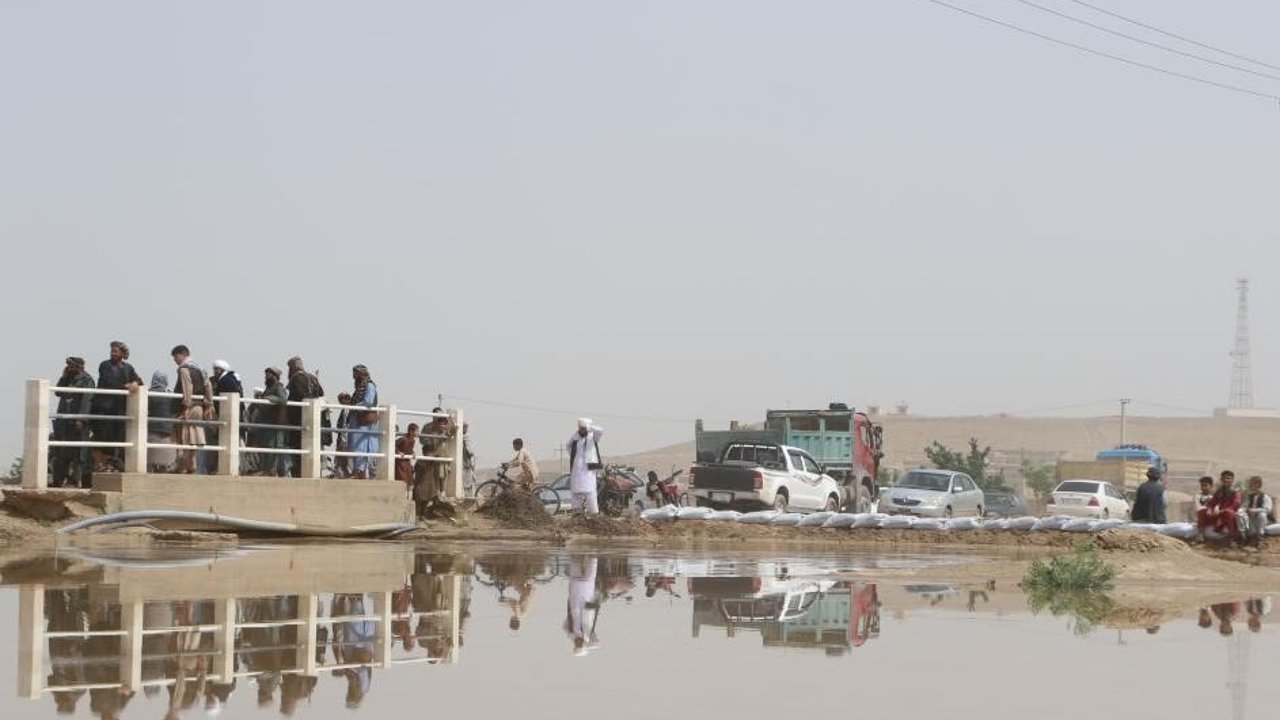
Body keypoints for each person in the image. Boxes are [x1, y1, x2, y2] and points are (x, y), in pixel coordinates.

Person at [91, 341, 143, 471]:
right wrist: (125, 386)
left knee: (115, 437)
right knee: (102, 437)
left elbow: (139, 381)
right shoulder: (105, 365)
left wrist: (135, 383)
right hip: (103, 407)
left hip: (119, 409)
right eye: (112, 351)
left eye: (116, 351)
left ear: (122, 353)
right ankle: (99, 464)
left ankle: (108, 464)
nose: (113, 353)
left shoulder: (128, 368)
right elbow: (109, 382)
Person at [52, 357, 95, 488]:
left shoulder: (87, 380)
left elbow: (87, 400)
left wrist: (81, 418)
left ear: (79, 366)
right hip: (63, 420)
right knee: (60, 451)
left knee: (79, 452)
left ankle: (77, 480)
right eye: (68, 366)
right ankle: (58, 480)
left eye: (72, 365)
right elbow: (58, 392)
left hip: (77, 421)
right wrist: (63, 377)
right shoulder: (68, 378)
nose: (70, 368)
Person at [170, 346, 213, 475]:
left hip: (188, 407)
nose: (175, 360)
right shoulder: (200, 368)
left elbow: (187, 388)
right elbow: (208, 386)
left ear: (182, 354)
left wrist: (186, 407)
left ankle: (183, 466)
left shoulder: (184, 369)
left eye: (175, 357)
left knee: (183, 435)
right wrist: (209, 405)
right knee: (194, 435)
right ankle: (192, 463)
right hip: (199, 406)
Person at [285, 357, 325, 477]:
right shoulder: (312, 377)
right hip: (312, 416)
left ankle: (298, 473)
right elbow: (321, 393)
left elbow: (299, 394)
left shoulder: (295, 378)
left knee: (297, 446)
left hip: (298, 417)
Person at [207, 360, 244, 474]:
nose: (215, 371)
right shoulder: (229, 378)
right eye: (215, 369)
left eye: (217, 369)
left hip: (228, 414)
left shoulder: (226, 380)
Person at [566, 419, 604, 515]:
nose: (581, 430)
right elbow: (568, 446)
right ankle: (577, 513)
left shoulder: (593, 437)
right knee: (576, 492)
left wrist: (588, 427)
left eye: (583, 428)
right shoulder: (575, 437)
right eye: (580, 428)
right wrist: (574, 456)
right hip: (576, 470)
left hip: (588, 471)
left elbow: (600, 431)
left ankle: (594, 514)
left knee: (590, 492)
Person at [347, 365, 379, 479]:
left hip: (365, 421)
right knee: (357, 446)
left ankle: (361, 471)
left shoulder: (369, 385)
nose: (353, 376)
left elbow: (368, 402)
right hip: (358, 420)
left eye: (355, 373)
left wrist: (355, 407)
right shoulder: (359, 387)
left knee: (362, 446)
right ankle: (358, 470)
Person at [258, 368, 290, 477]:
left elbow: (283, 399)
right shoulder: (269, 388)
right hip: (267, 422)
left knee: (274, 446)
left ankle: (272, 470)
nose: (266, 377)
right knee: (266, 446)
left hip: (276, 423)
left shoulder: (278, 387)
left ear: (275, 376)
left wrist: (271, 398)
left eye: (268, 375)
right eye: (266, 375)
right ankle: (266, 469)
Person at [1196, 471, 1242, 543]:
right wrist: (1210, 509)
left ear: (1232, 480)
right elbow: (1212, 502)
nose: (1226, 480)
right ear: (1221, 480)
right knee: (1202, 511)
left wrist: (1221, 511)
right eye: (1224, 478)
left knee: (1229, 513)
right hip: (1218, 515)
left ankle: (1232, 539)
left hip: (1227, 515)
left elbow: (1235, 505)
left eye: (1228, 478)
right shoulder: (1219, 491)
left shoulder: (1235, 492)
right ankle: (1200, 535)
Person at [146, 370, 176, 473]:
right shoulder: (170, 394)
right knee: (165, 461)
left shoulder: (148, 393)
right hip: (167, 429)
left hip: (151, 428)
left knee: (150, 460)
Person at [1242, 475, 1273, 545]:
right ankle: (1248, 538)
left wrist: (1254, 510)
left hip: (1261, 521)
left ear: (1258, 485)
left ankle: (1260, 538)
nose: (1250, 485)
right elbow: (1245, 506)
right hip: (1251, 519)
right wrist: (1244, 510)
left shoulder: (1265, 497)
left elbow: (1267, 509)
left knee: (1262, 515)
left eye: (1252, 483)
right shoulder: (1249, 497)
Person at [333, 392, 353, 478]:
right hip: (343, 438)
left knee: (345, 458)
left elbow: (346, 425)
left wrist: (343, 440)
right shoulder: (345, 410)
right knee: (341, 459)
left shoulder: (349, 409)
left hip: (346, 438)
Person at [461, 423, 477, 496]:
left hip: (462, 463)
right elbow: (470, 451)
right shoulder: (466, 438)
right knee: (468, 482)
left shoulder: (458, 438)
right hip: (466, 463)